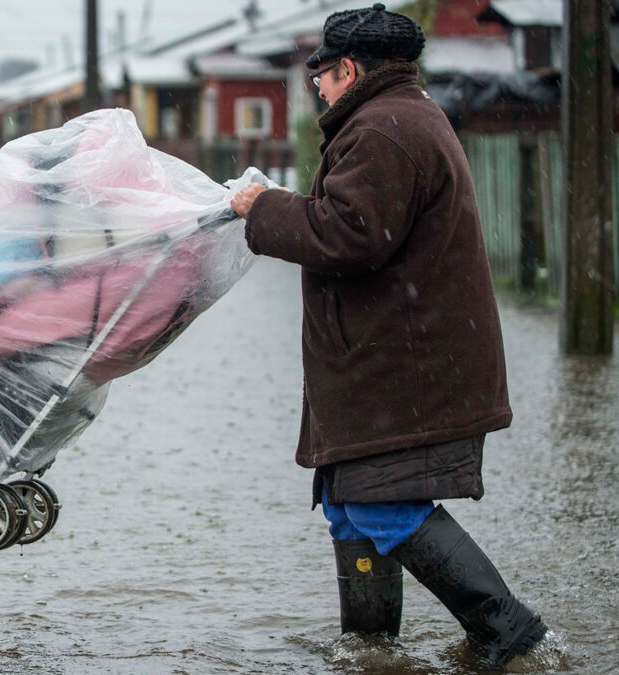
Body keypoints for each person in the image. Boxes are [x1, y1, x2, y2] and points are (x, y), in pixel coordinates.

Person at [229, 3, 547, 669]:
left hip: (399, 365)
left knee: (383, 504)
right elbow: (355, 216)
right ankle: (372, 651)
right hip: (387, 359)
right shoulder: (396, 117)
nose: (316, 85)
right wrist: (286, 206)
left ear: (348, 69)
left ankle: (504, 626)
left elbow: (350, 234)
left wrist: (265, 209)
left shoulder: (383, 129)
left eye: (321, 73)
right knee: (349, 504)